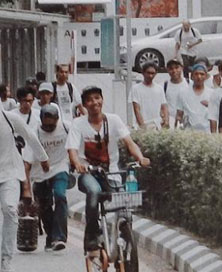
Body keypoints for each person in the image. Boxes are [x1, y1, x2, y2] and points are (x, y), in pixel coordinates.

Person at [66, 86, 150, 253]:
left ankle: (127, 245)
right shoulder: (78, 124)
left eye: (97, 98)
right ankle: (93, 235)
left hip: (111, 172)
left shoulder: (114, 120)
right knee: (94, 192)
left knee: (125, 203)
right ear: (84, 105)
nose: (94, 102)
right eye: (90, 100)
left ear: (102, 100)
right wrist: (77, 164)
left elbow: (129, 143)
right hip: (88, 173)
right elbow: (72, 151)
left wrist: (140, 158)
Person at [0, 103, 48, 272]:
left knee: (10, 209)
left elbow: (30, 136)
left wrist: (43, 158)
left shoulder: (9, 118)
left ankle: (6, 265)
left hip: (10, 172)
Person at [24, 104, 71, 251]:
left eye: (52, 125)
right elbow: (27, 163)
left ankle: (59, 237)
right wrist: (26, 189)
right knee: (44, 206)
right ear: (41, 121)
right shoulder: (35, 133)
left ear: (57, 119)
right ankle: (51, 236)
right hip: (40, 173)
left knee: (60, 195)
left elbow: (75, 146)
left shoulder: (66, 127)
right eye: (46, 126)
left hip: (60, 166)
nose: (49, 129)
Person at [175, 63, 214, 132]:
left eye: (202, 74)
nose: (199, 77)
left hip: (206, 132)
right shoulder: (183, 92)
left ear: (205, 76)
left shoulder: (212, 94)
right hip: (188, 132)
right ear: (192, 76)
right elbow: (179, 114)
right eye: (196, 74)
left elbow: (214, 117)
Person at [132, 62, 168, 130]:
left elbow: (164, 106)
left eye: (153, 73)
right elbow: (136, 109)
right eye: (148, 73)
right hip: (143, 125)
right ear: (143, 72)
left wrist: (166, 121)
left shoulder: (159, 88)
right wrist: (142, 126)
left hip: (157, 125)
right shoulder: (135, 88)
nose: (150, 76)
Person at [163, 59, 190, 128]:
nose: (174, 71)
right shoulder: (165, 85)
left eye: (177, 67)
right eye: (171, 68)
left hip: (187, 120)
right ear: (167, 70)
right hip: (170, 121)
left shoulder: (189, 83)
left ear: (182, 68)